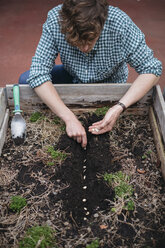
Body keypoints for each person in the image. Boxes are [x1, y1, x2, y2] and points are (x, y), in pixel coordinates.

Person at [19, 0, 162, 148]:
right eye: (77, 42)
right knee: (25, 81)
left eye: (91, 40)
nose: (85, 48)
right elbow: (38, 72)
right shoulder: (56, 21)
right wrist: (68, 117)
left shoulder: (119, 23)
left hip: (110, 83)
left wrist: (119, 107)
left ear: (101, 24)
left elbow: (151, 69)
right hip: (72, 75)